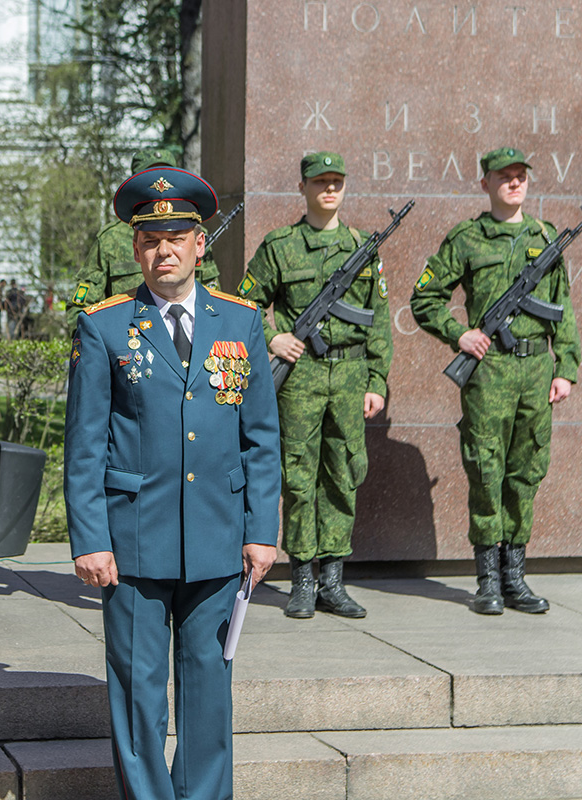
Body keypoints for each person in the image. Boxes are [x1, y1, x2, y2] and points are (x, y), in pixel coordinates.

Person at [65, 166, 281, 800]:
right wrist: (90, 538)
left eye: (177, 237)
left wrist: (261, 531)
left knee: (209, 693)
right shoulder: (104, 327)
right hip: (133, 541)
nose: (164, 251)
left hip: (218, 537)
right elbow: (84, 444)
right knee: (137, 695)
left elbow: (261, 437)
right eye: (150, 241)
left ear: (199, 244)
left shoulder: (240, 324)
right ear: (136, 249)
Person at [410, 147, 579, 615]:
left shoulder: (545, 238)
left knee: (526, 472)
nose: (514, 183)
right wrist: (458, 334)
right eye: (504, 176)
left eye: (521, 176)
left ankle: (515, 577)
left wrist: (566, 368)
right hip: (489, 372)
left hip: (535, 370)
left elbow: (561, 311)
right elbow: (424, 298)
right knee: (486, 471)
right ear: (485, 183)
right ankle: (487, 579)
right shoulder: (466, 239)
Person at [238, 152, 392, 619]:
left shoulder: (363, 246)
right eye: (320, 182)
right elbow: (244, 302)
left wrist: (377, 380)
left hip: (349, 376)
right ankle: (302, 579)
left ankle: (333, 580)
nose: (329, 189)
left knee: (344, 473)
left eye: (337, 182)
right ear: (303, 188)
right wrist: (273, 337)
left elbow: (379, 320)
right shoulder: (280, 246)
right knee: (300, 476)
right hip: (300, 378)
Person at [66, 147, 221, 334]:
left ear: (199, 244)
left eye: (166, 175)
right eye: (150, 241)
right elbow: (80, 310)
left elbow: (213, 301)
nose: (161, 184)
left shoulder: (193, 234)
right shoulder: (110, 239)